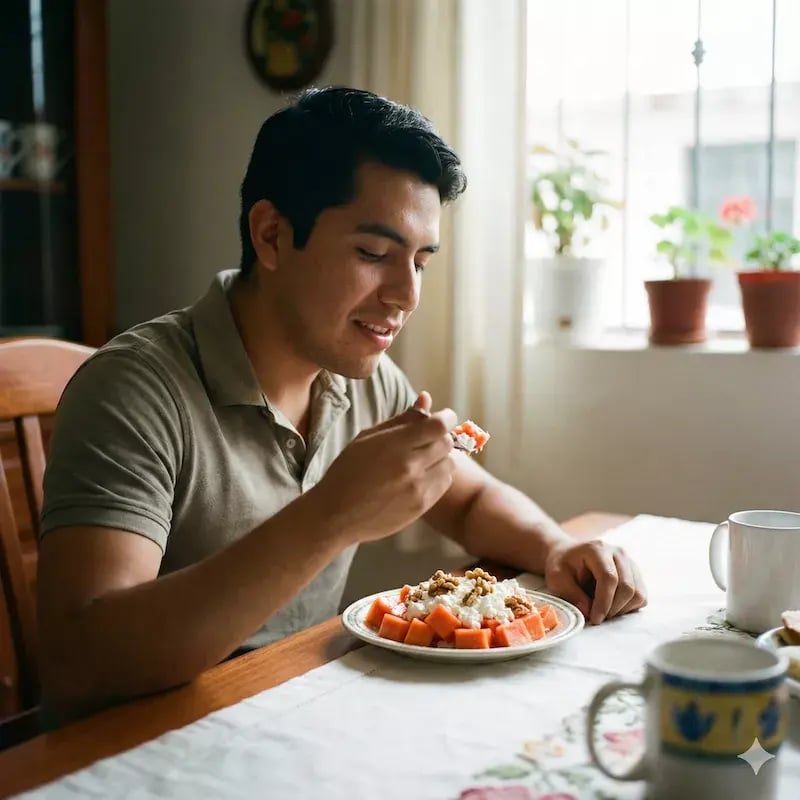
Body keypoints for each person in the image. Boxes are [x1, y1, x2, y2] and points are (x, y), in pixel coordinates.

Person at [38, 87, 646, 723]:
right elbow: (82, 660)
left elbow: (464, 498)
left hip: (294, 704)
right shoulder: (135, 391)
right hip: (146, 742)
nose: (406, 294)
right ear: (271, 235)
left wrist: (553, 547)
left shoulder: (362, 376)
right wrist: (332, 514)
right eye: (374, 254)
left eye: (421, 261)